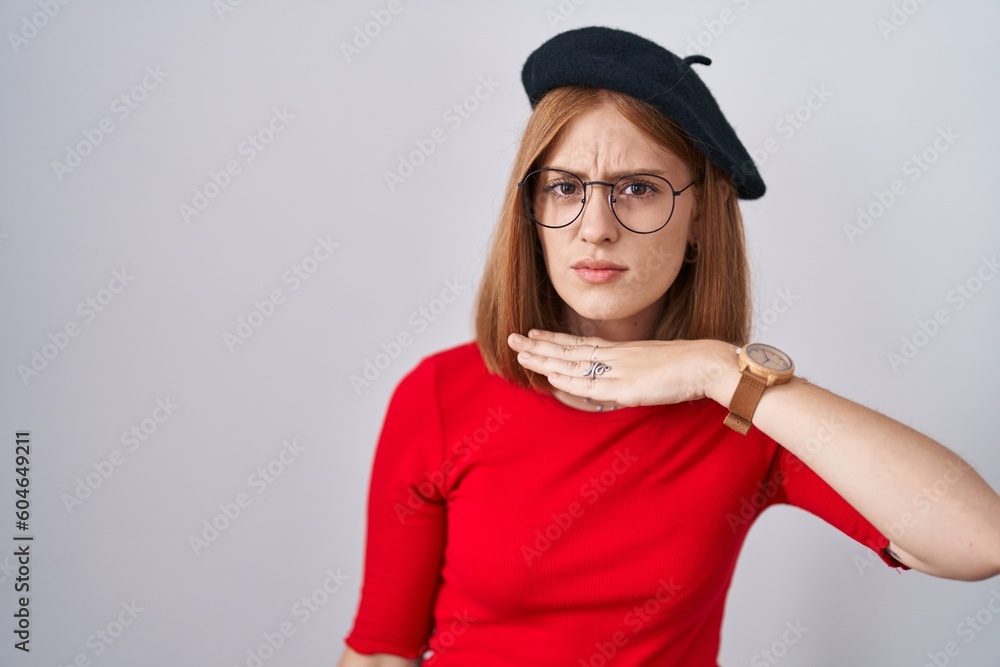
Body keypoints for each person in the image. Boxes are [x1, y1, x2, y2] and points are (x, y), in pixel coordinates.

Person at [337, 26, 1000, 666]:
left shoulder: (745, 409)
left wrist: (715, 367)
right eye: (565, 187)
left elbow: (978, 540)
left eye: (638, 189)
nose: (596, 228)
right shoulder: (442, 393)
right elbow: (378, 651)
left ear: (700, 220)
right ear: (530, 212)